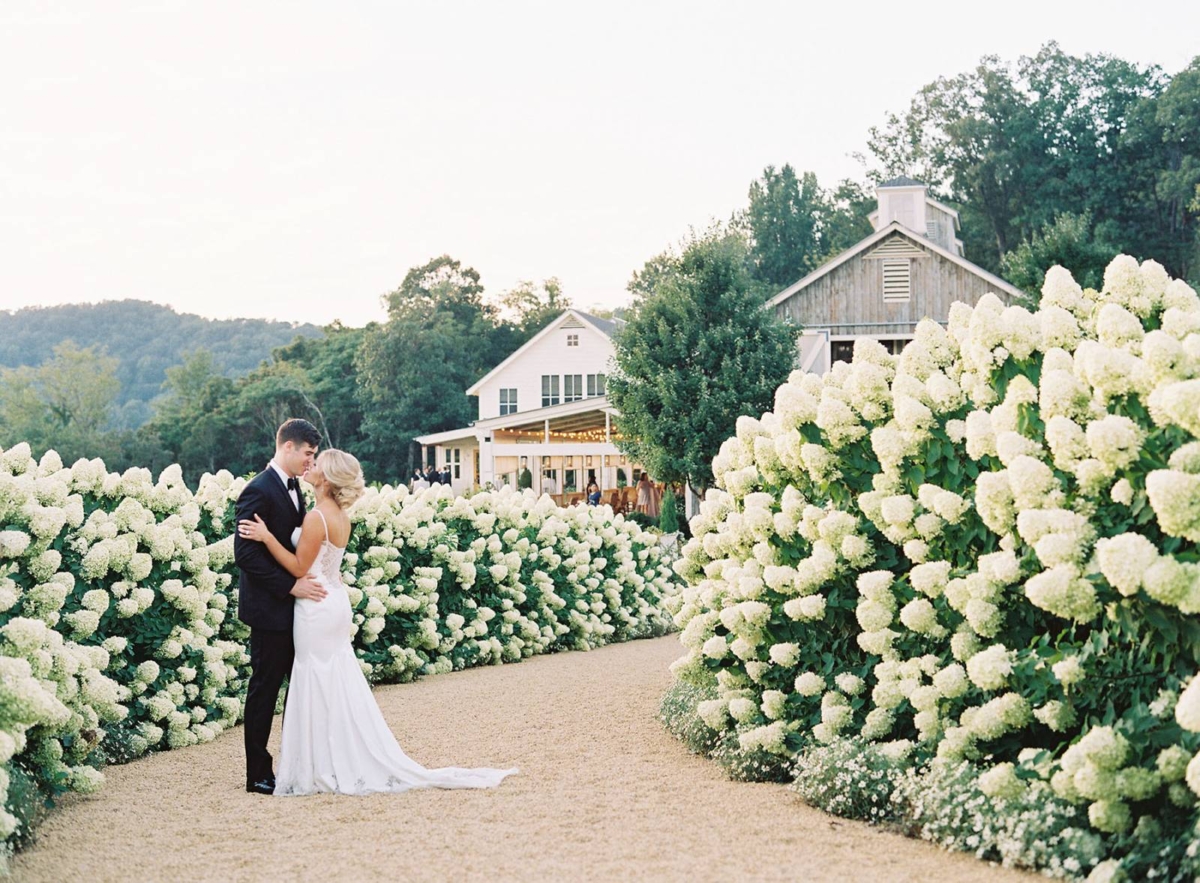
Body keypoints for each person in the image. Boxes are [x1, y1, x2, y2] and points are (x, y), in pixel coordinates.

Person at [238, 448, 517, 796]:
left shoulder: (316, 518)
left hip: (315, 603)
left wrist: (266, 538)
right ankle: (332, 758)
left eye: (318, 463)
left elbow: (297, 567)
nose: (311, 465)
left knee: (317, 680)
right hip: (332, 600)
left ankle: (321, 764)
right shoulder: (338, 514)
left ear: (327, 478)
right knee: (334, 680)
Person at [234, 418, 325, 795]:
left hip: (295, 610)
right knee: (264, 690)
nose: (310, 461)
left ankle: (292, 766)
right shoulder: (257, 490)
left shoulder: (295, 489)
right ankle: (258, 773)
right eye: (308, 453)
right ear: (288, 447)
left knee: (298, 689)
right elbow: (246, 556)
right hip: (269, 610)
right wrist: (291, 587)